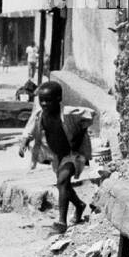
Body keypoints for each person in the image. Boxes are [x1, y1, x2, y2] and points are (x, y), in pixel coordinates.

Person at [18, 81, 94, 236]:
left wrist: (79, 134)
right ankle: (79, 205)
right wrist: (24, 142)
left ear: (59, 99)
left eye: (49, 100)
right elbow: (30, 129)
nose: (45, 104)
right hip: (56, 156)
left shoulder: (68, 113)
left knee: (62, 181)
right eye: (42, 101)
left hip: (73, 154)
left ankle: (61, 222)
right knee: (63, 185)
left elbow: (90, 115)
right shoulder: (40, 115)